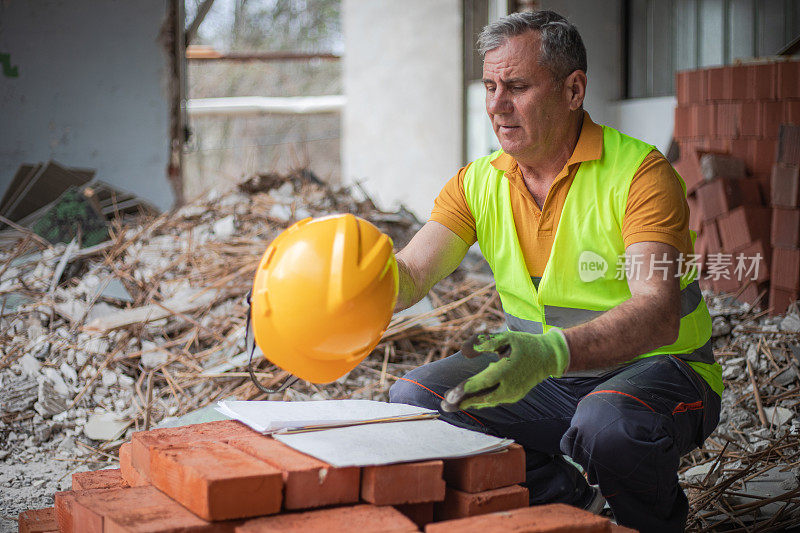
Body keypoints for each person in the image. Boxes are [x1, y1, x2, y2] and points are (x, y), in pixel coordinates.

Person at [388, 10, 722, 533]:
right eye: (490, 86)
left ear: (573, 90)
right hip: (549, 375)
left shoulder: (640, 174)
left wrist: (549, 354)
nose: (497, 106)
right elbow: (409, 274)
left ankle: (651, 525)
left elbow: (658, 314)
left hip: (660, 368)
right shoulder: (478, 182)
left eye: (517, 86)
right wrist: (338, 284)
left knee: (608, 427)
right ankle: (563, 496)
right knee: (418, 401)